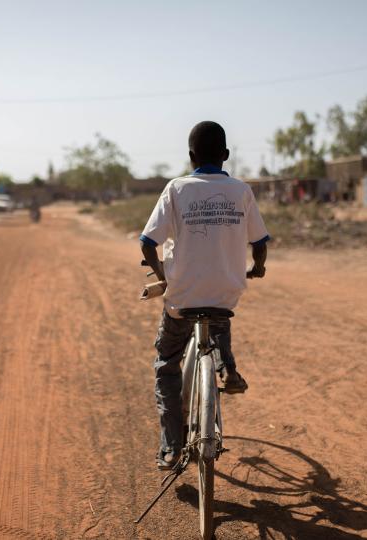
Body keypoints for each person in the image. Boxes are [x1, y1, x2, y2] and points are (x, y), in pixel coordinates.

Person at [140, 121, 270, 470]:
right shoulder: (241, 190)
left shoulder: (177, 189)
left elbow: (147, 243)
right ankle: (227, 367)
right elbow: (260, 242)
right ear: (226, 156)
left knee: (167, 363)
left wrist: (163, 275)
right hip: (226, 294)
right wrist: (258, 267)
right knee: (217, 313)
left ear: (191, 156)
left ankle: (170, 448)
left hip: (182, 298)